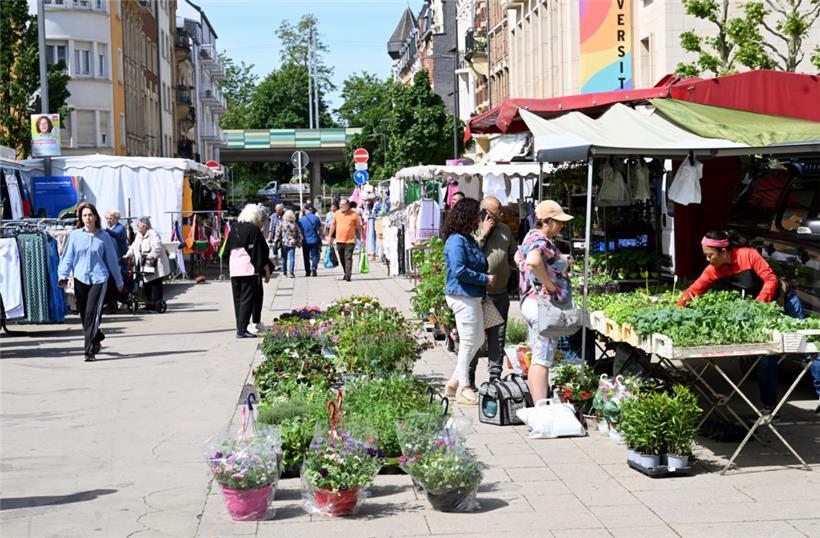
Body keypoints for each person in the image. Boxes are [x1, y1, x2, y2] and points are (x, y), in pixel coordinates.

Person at [677, 230, 813, 414]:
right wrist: (676, 310)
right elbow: (694, 290)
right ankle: (770, 408)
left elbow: (770, 279)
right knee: (767, 357)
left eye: (709, 255)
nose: (708, 260)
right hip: (763, 312)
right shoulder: (713, 270)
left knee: (809, 349)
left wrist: (758, 305)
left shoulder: (748, 255)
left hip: (784, 300)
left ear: (724, 252)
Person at [515, 200, 574, 403]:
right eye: (558, 222)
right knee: (543, 359)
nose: (562, 226)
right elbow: (532, 261)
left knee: (538, 357)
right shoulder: (542, 241)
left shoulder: (530, 236)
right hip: (542, 305)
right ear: (546, 221)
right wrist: (548, 284)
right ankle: (542, 410)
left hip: (529, 303)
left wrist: (558, 266)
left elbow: (518, 257)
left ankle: (537, 405)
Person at [443, 198, 496, 405]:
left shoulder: (467, 239)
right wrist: (485, 279)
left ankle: (454, 381)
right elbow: (459, 270)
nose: (480, 219)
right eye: (478, 215)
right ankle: (464, 387)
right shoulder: (456, 240)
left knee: (477, 341)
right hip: (462, 295)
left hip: (472, 295)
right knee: (467, 342)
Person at [58, 202, 124, 361]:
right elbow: (68, 257)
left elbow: (112, 261)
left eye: (90, 215)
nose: (87, 218)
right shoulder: (75, 236)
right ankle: (97, 334)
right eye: (84, 215)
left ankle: (89, 351)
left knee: (91, 314)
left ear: (95, 217)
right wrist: (63, 275)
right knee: (84, 315)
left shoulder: (104, 237)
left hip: (99, 278)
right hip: (80, 278)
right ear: (81, 218)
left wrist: (119, 280)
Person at [468, 196, 518, 387]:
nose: (500, 217)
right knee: (476, 337)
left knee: (498, 337)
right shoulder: (473, 229)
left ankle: (495, 377)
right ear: (485, 212)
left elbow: (513, 255)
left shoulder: (504, 230)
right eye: (496, 213)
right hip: (481, 295)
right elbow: (472, 255)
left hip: (500, 293)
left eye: (500, 213)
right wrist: (484, 233)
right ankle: (469, 378)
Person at [221, 204, 270, 338]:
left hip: (235, 269)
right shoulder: (252, 229)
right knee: (247, 299)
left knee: (238, 299)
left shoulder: (234, 228)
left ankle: (240, 327)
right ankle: (242, 330)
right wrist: (261, 269)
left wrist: (231, 265)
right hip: (248, 269)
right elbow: (258, 252)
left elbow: (225, 252)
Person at [125, 217, 171, 310]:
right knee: (146, 283)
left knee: (155, 283)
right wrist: (127, 255)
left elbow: (157, 246)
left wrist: (152, 255)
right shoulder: (139, 234)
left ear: (144, 226)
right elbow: (133, 246)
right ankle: (149, 304)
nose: (137, 227)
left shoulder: (153, 234)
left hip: (156, 264)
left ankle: (156, 303)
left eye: (138, 225)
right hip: (144, 263)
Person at [249, 206, 274, 334]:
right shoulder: (254, 231)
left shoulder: (251, 230)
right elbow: (261, 252)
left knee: (257, 296)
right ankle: (251, 323)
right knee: (254, 297)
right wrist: (266, 269)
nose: (264, 224)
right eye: (263, 221)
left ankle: (255, 321)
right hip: (253, 269)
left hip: (252, 269)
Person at [329, 197, 364, 282]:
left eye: (343, 205)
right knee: (342, 258)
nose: (341, 206)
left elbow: (359, 227)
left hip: (350, 240)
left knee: (348, 257)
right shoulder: (337, 213)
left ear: (348, 205)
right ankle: (346, 272)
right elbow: (333, 226)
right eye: (340, 204)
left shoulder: (354, 214)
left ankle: (348, 275)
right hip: (339, 240)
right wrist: (330, 237)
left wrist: (362, 238)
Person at [274, 210, 302, 278]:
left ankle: (284, 272)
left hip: (284, 242)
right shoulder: (294, 224)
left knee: (284, 258)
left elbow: (278, 233)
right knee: (292, 258)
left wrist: (275, 240)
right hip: (292, 242)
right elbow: (298, 234)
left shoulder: (281, 223)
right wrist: (299, 241)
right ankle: (291, 272)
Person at [298, 205, 323, 277]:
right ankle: (314, 267)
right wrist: (320, 237)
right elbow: (320, 229)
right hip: (315, 240)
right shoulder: (316, 218)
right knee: (315, 255)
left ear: (305, 210)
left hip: (305, 241)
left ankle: (307, 272)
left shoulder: (301, 219)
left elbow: (299, 231)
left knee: (306, 257)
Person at [267, 203, 284, 271]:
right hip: (275, 236)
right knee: (274, 250)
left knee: (283, 251)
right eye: (276, 210)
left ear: (282, 209)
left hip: (283, 236)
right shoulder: (273, 216)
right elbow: (271, 226)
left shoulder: (285, 215)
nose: (277, 211)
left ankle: (284, 265)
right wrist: (270, 235)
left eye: (279, 210)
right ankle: (277, 265)